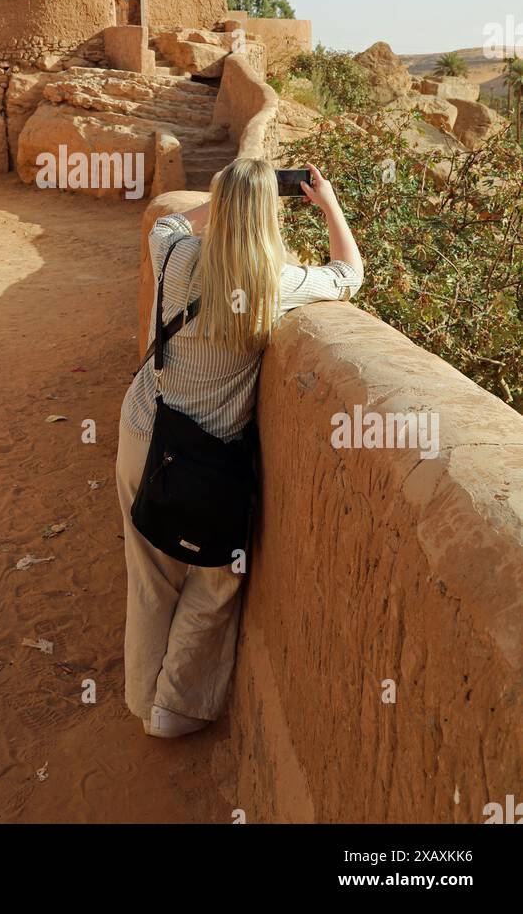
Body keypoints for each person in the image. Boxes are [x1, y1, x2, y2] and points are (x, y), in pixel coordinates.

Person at [116, 157, 364, 739]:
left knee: (148, 572)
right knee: (218, 571)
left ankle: (140, 696)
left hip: (142, 434)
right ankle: (173, 711)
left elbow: (165, 226)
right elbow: (349, 274)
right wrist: (324, 201)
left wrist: (225, 195)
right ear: (268, 214)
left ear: (223, 207)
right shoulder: (273, 283)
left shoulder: (176, 260)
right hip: (208, 461)